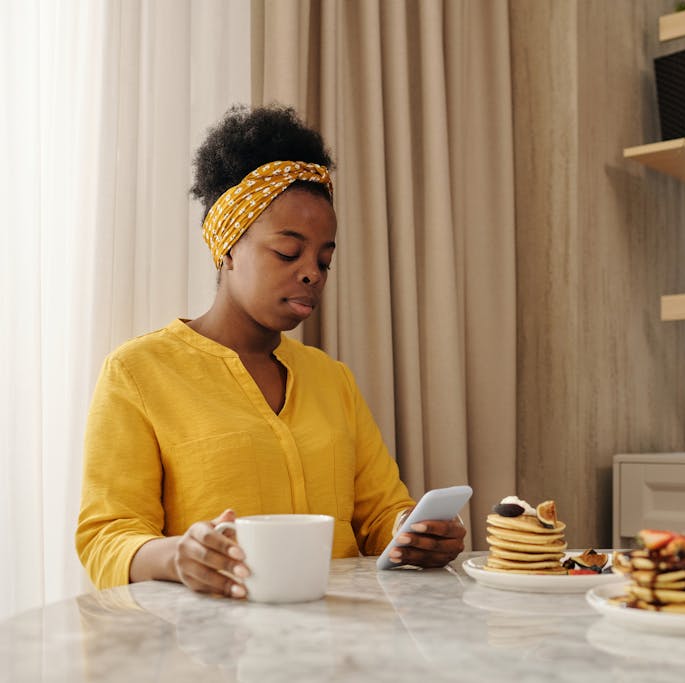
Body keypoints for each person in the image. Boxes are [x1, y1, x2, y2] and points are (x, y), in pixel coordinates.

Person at [76, 104, 466, 597]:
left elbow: (381, 514)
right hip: (211, 654)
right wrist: (179, 556)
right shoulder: (137, 373)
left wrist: (414, 534)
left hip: (344, 646)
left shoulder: (332, 379)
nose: (312, 273)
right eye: (288, 252)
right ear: (229, 246)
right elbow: (106, 536)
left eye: (325, 260)